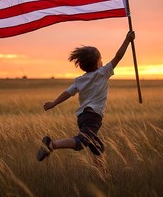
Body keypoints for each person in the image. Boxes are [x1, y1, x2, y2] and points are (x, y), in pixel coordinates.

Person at [37, 30, 136, 161]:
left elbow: (67, 93)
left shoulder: (80, 80)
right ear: (97, 63)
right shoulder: (103, 73)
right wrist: (127, 40)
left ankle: (102, 175)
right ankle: (52, 144)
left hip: (83, 117)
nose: (102, 60)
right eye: (101, 58)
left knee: (97, 147)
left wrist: (53, 103)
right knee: (81, 142)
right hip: (93, 116)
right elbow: (118, 56)